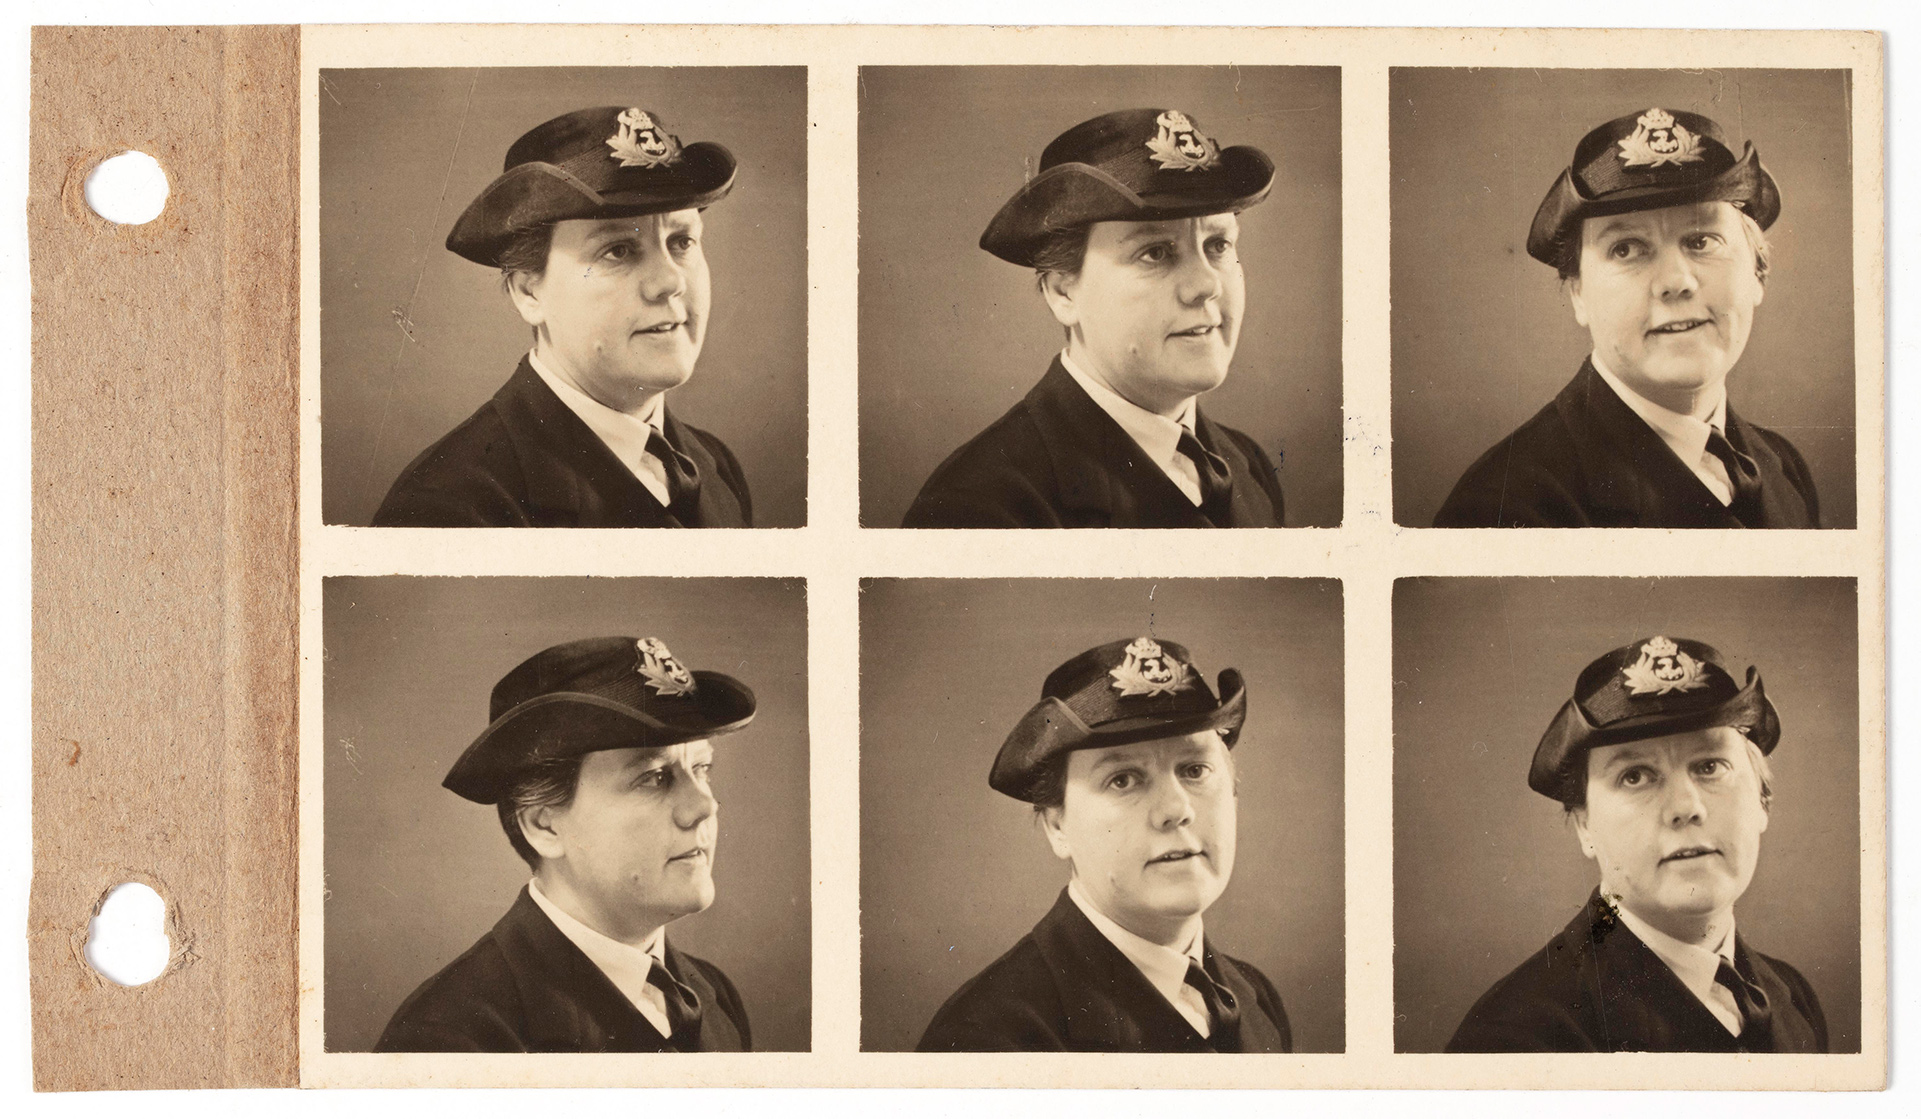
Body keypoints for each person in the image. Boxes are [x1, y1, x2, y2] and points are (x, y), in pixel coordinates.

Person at [1434, 107, 1821, 529]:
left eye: (1701, 240)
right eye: (1626, 249)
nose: (1675, 281)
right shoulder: (1507, 509)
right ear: (1577, 291)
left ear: (1758, 272)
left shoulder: (1784, 465)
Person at [902, 109, 1286, 528]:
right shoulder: (982, 508)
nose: (1206, 285)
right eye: (1156, 252)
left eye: (1217, 245)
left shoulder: (1247, 464)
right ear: (1064, 291)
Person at [373, 106, 753, 528]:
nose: (669, 281)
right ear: (529, 291)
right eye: (618, 250)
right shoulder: (451, 507)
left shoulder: (715, 464)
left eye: (681, 241)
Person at [376, 635, 757, 1052]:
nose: (704, 805)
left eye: (701, 768)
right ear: (544, 826)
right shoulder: (451, 1037)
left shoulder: (713, 994)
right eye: (654, 777)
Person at [1448, 635, 1828, 1053]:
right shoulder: (1519, 1037)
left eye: (1710, 766)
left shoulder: (1793, 995)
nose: (1685, 807)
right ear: (1584, 826)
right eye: (1635, 776)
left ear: (1762, 800)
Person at [919, 637, 1292, 1052]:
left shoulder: (1257, 997)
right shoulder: (989, 1037)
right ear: (1057, 825)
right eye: (1123, 779)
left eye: (1194, 769)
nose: (1175, 808)